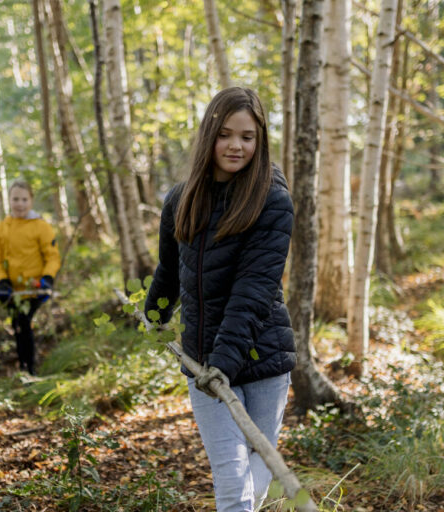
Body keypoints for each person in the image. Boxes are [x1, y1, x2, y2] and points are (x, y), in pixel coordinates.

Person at [144, 87, 295, 512]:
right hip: (203, 362)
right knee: (231, 482)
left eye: (247, 137)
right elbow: (171, 269)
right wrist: (154, 312)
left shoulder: (272, 201)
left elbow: (255, 289)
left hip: (263, 360)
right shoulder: (181, 198)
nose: (236, 145)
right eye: (226, 134)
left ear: (259, 140)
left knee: (258, 473)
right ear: (209, 135)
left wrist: (223, 364)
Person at [0, 179, 61, 376]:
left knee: (23, 322)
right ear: (9, 200)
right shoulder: (2, 228)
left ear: (31, 200)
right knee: (17, 326)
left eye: (24, 199)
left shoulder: (41, 227)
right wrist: (2, 281)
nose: (19, 204)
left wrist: (47, 278)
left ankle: (29, 370)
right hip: (12, 291)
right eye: (15, 199)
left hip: (35, 288)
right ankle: (23, 365)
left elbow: (52, 257)